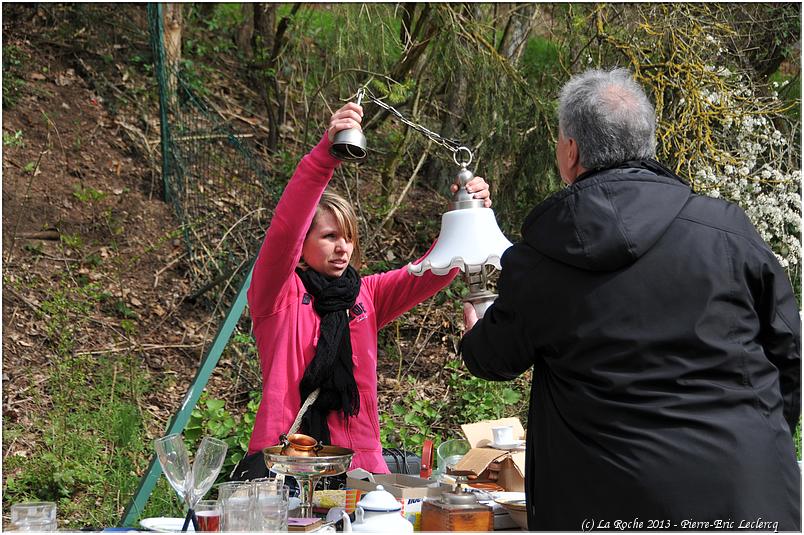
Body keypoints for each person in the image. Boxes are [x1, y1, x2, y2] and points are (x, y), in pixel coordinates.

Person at [460, 68, 801, 531]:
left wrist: (476, 326)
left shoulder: (542, 257)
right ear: (647, 142)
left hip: (604, 503)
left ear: (571, 151)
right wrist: (764, 433)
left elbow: (492, 358)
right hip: (745, 493)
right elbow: (787, 347)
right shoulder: (726, 230)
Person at [231, 101, 492, 480]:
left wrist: (468, 213)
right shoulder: (277, 296)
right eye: (329, 236)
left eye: (349, 238)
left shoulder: (365, 295)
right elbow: (285, 229)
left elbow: (435, 269)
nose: (343, 248)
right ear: (302, 247)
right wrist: (325, 156)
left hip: (361, 469)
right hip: (286, 465)